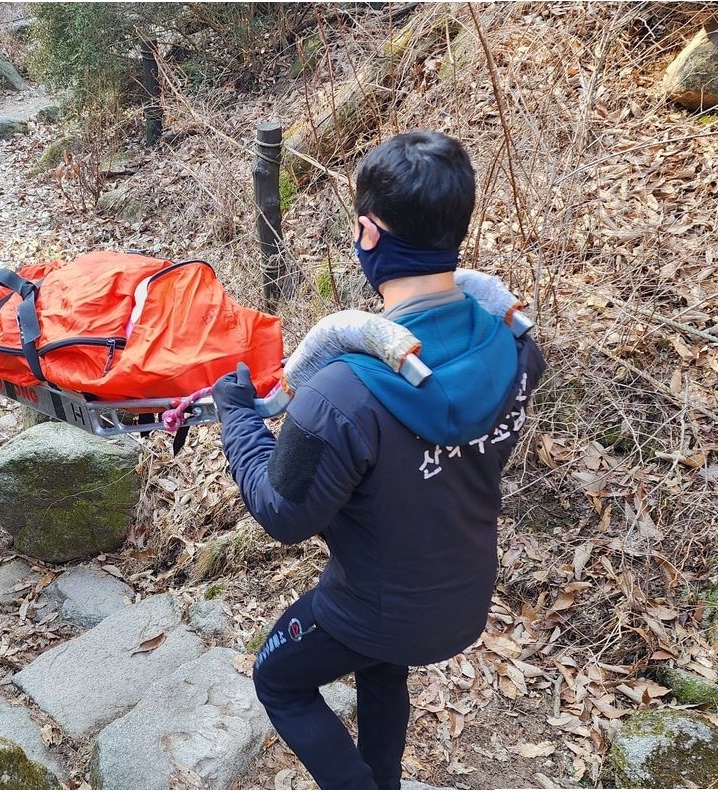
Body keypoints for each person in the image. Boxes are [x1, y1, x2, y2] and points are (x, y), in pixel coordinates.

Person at [211, 130, 547, 789]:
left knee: (278, 679)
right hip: (464, 592)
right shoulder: (516, 350)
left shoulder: (341, 396)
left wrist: (236, 416)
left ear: (368, 233)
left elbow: (282, 512)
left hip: (372, 606)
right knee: (381, 667)